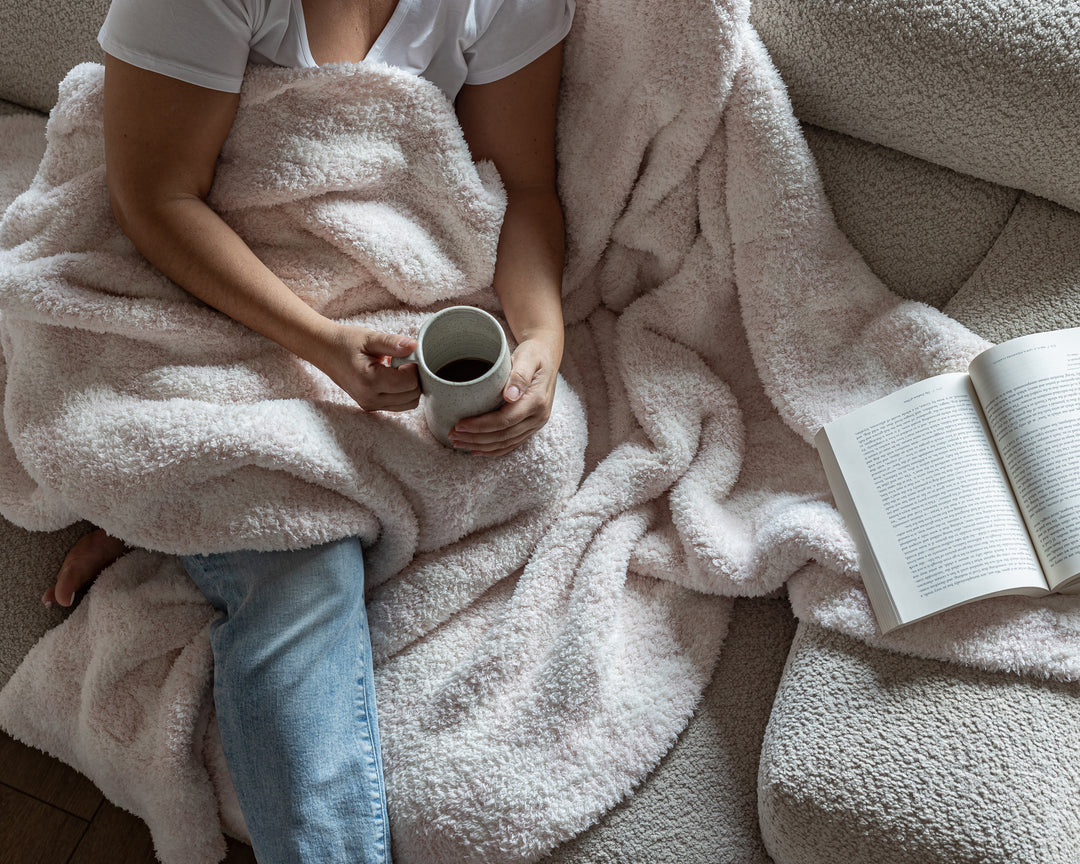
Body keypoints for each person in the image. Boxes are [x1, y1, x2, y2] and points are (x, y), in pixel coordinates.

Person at [40, 0, 574, 859]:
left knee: (529, 453)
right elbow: (153, 195)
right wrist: (321, 345)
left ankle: (185, 514)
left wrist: (543, 339)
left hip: (379, 296)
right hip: (197, 296)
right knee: (299, 546)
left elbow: (525, 189)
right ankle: (205, 500)